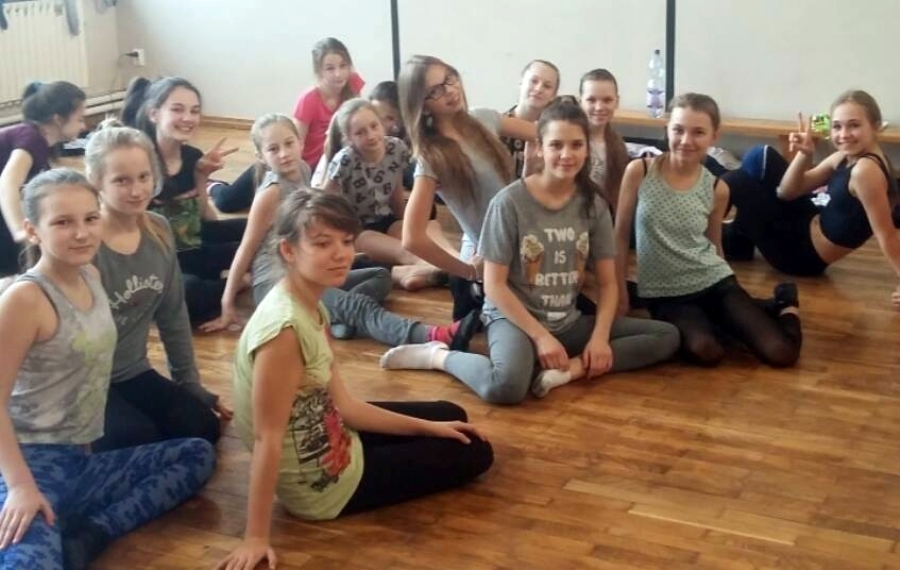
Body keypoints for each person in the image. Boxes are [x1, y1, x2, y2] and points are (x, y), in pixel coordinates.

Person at [217, 189, 492, 570]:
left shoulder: (308, 302)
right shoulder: (284, 332)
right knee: (476, 452)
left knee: (450, 415)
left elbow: (345, 406)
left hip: (333, 430)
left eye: (346, 241)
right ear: (288, 251)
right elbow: (267, 439)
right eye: (322, 244)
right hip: (324, 485)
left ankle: (431, 416)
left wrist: (430, 428)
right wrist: (256, 538)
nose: (341, 254)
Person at [381, 101, 680, 402]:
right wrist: (541, 337)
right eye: (556, 145)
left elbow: (607, 283)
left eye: (576, 145)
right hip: (514, 320)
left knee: (666, 335)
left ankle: (570, 371)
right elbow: (494, 286)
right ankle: (438, 357)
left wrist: (600, 339)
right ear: (539, 149)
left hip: (568, 320)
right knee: (506, 387)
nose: (567, 154)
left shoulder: (594, 205)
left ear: (587, 149)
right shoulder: (509, 203)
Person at [0, 169, 215, 569]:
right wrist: (19, 486)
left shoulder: (92, 275)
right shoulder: (24, 300)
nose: (82, 233)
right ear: (32, 230)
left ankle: (92, 532)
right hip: (31, 462)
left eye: (90, 218)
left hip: (82, 459)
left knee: (196, 454)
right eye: (63, 222)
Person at [199, 114, 479, 352]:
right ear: (261, 157)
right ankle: (433, 336)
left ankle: (338, 321)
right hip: (278, 283)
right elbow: (246, 248)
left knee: (380, 276)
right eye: (273, 149)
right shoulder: (271, 193)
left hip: (306, 269)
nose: (284, 153)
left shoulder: (303, 169)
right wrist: (227, 304)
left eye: (289, 143)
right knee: (357, 306)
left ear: (300, 142)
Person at [615, 93, 803, 367]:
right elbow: (619, 235)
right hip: (664, 294)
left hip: (713, 282)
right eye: (678, 130)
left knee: (781, 353)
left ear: (714, 136)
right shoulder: (640, 171)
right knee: (706, 351)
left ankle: (786, 305)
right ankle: (757, 310)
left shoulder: (717, 188)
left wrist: (734, 294)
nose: (686, 140)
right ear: (667, 129)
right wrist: (618, 290)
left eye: (698, 132)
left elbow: (715, 247)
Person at [86, 122, 228, 451]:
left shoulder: (159, 229)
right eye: (121, 180)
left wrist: (190, 386)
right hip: (87, 381)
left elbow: (173, 315)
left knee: (204, 428)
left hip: (132, 371)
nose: (137, 190)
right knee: (135, 437)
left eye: (143, 177)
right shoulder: (86, 245)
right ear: (96, 182)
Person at [721, 90, 900, 306]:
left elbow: (886, 234)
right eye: (837, 126)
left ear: (876, 126)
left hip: (800, 255)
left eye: (854, 125)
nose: (844, 134)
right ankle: (738, 236)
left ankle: (719, 240)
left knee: (735, 180)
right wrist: (805, 154)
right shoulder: (844, 157)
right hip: (804, 220)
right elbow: (787, 192)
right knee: (762, 155)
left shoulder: (865, 172)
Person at [397, 55, 537, 320]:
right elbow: (412, 238)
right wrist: (468, 271)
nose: (450, 90)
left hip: (523, 240)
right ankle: (452, 280)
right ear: (422, 106)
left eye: (449, 78)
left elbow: (544, 134)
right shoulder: (433, 157)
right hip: (495, 256)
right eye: (435, 91)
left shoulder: (483, 118)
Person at [122, 76, 245, 323]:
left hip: (193, 245)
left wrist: (201, 177)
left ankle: (222, 284)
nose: (188, 118)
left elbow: (203, 220)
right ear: (154, 113)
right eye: (177, 109)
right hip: (160, 262)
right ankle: (236, 284)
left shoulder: (192, 156)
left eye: (194, 111)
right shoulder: (138, 161)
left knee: (258, 232)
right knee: (187, 294)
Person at [323, 98, 448, 290]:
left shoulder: (395, 148)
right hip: (360, 229)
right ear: (349, 138)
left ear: (381, 124)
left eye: (374, 126)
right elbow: (323, 201)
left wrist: (408, 226)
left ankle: (453, 258)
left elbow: (396, 191)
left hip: (386, 218)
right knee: (403, 250)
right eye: (360, 132)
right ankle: (430, 268)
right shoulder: (345, 160)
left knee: (429, 226)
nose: (371, 135)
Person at [0, 81, 85, 276]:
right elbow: (7, 183)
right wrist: (18, 231)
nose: (83, 126)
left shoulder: (40, 142)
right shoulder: (32, 139)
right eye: (79, 119)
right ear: (58, 119)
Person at [578, 69, 630, 212]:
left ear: (617, 102)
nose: (599, 107)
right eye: (591, 100)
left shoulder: (618, 145)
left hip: (603, 217)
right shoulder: (570, 141)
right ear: (580, 101)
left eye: (607, 100)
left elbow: (619, 195)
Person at [500, 60, 560, 177]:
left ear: (553, 95)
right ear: (521, 82)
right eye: (534, 81)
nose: (538, 89)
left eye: (547, 86)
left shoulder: (554, 134)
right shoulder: (496, 128)